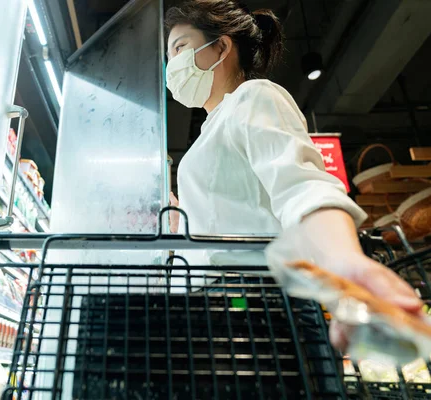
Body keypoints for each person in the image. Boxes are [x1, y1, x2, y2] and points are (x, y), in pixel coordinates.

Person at [165, 0, 422, 352]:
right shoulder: (210, 130)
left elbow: (302, 185)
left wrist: (345, 264)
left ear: (222, 46)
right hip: (220, 304)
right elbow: (225, 213)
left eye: (179, 47)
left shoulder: (254, 97)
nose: (172, 64)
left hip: (257, 306)